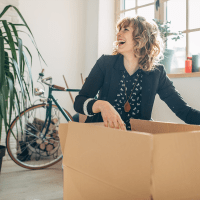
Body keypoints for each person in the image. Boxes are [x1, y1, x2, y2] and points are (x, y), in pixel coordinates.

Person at [74, 15, 200, 130]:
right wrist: (102, 105)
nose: (119, 34)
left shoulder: (157, 73)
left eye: (125, 30)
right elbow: (79, 102)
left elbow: (184, 111)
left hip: (137, 140)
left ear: (141, 38)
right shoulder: (105, 63)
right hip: (102, 136)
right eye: (119, 29)